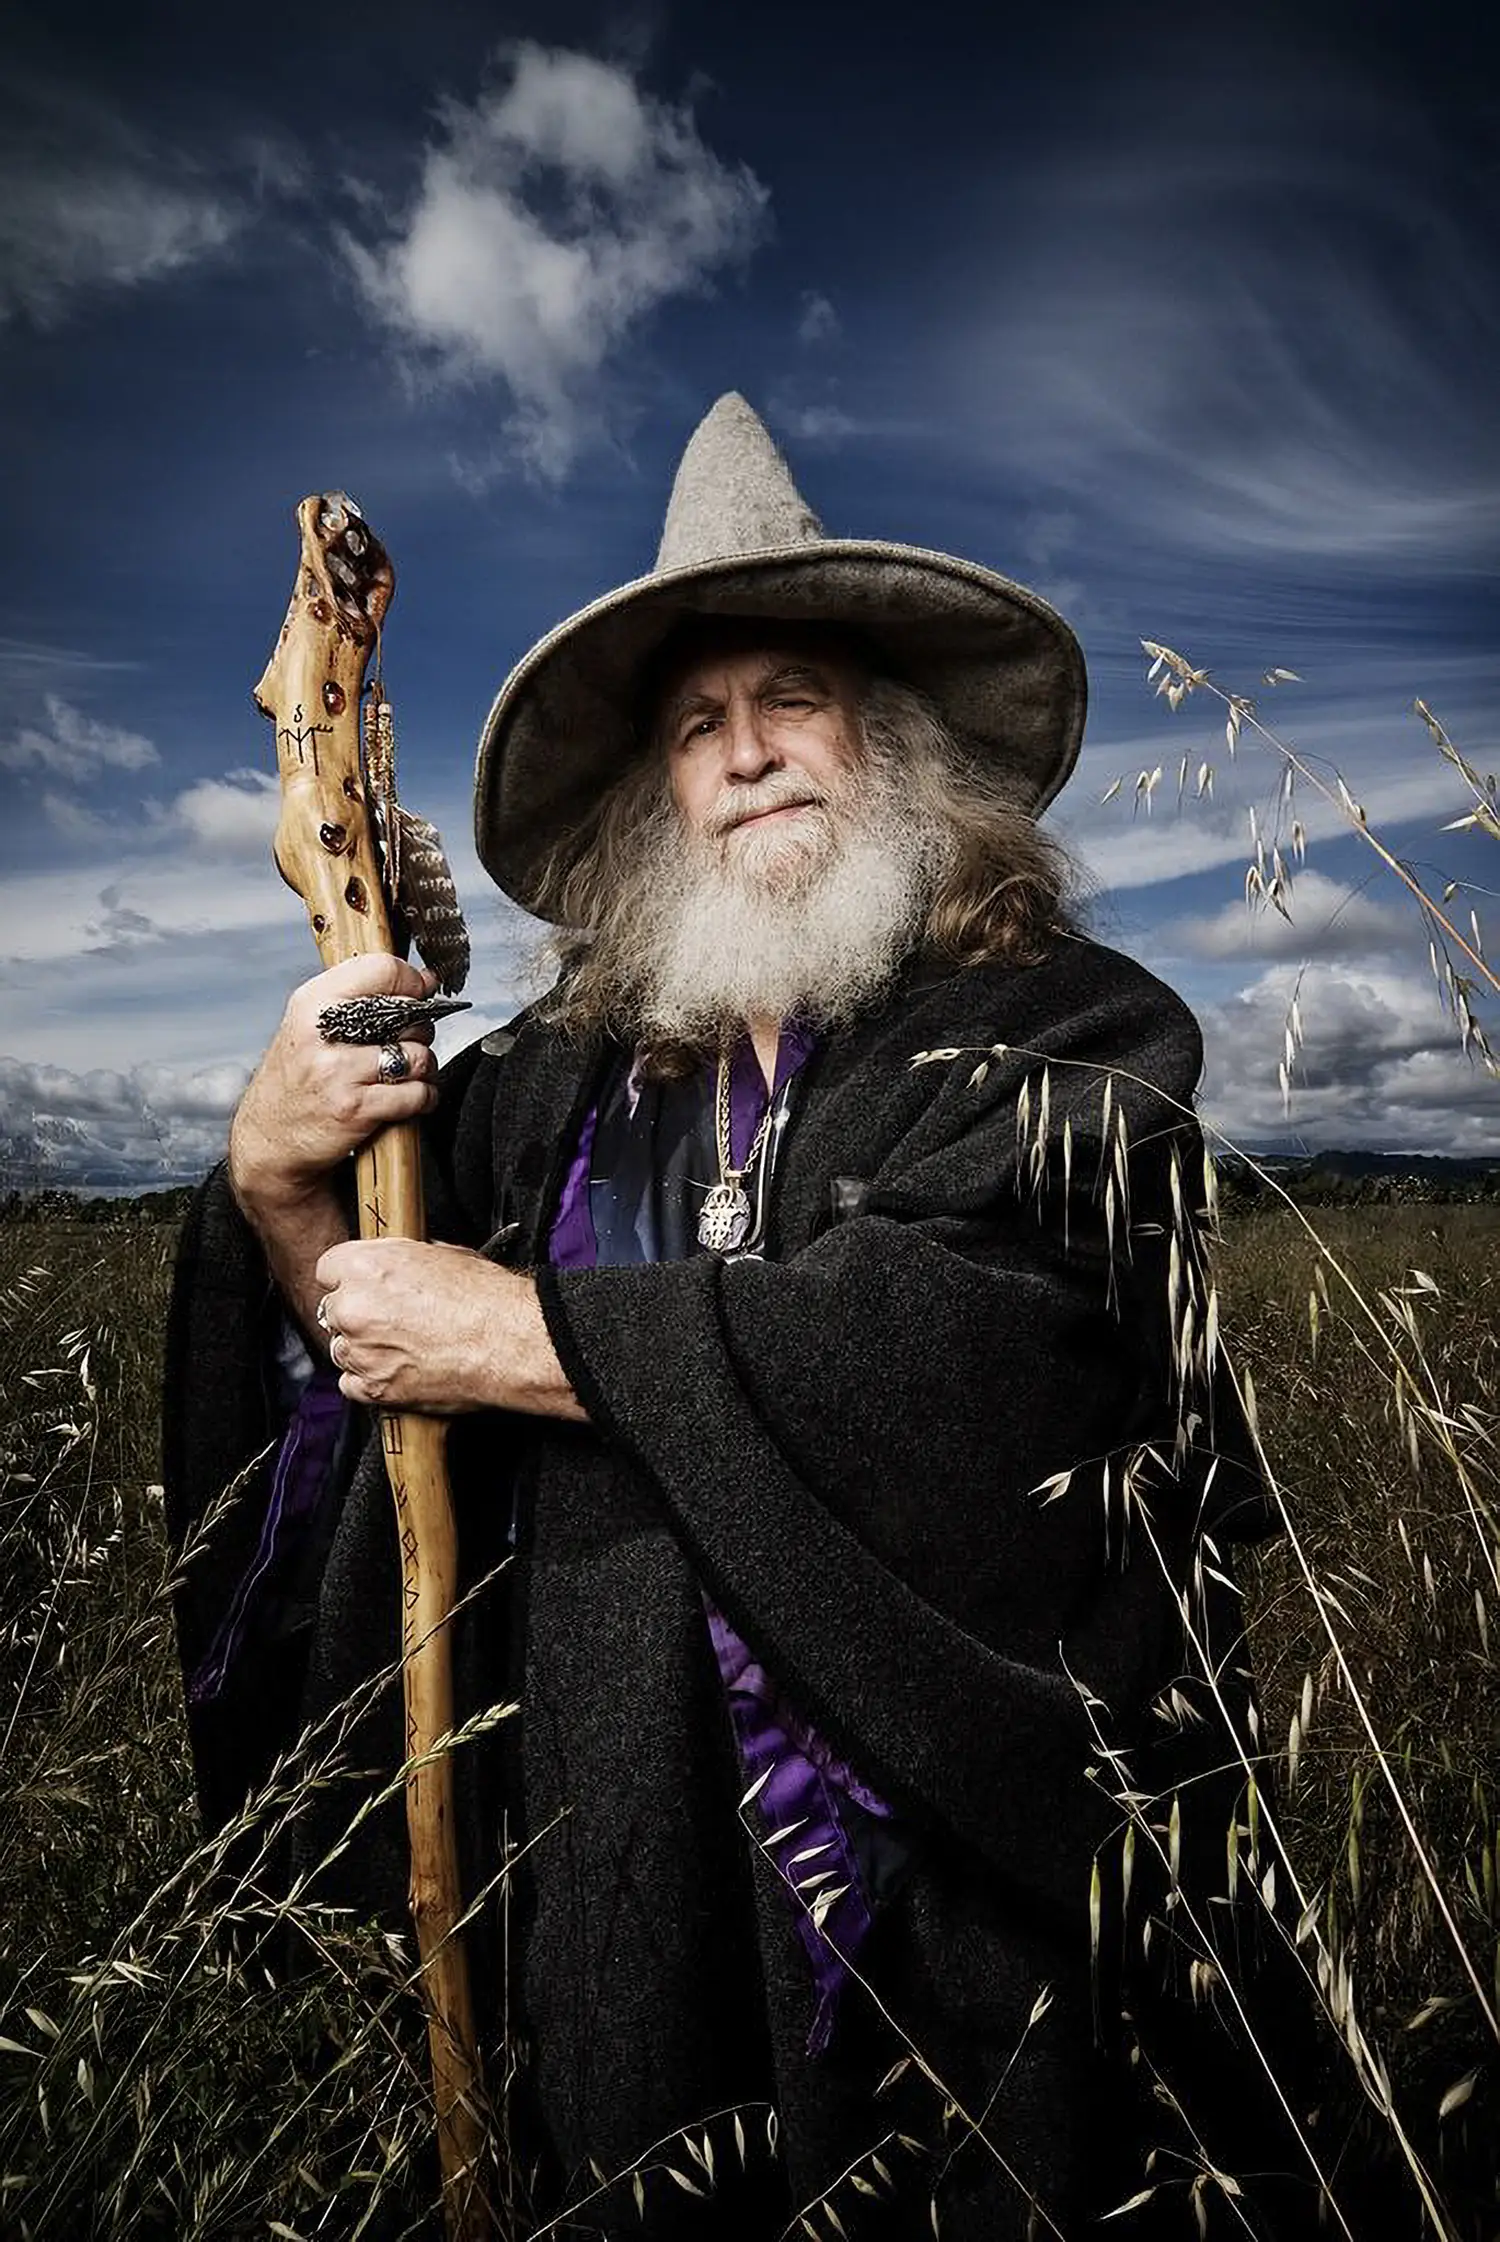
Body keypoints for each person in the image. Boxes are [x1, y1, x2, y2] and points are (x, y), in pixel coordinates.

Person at [165, 396, 1326, 2238]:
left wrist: (534, 1341)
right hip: (623, 1943)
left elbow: (988, 1368)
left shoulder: (1076, 1034)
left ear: (893, 740)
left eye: (794, 694)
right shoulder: (544, 1098)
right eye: (699, 726)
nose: (751, 752)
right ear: (656, 798)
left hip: (966, 1976)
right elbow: (374, 1359)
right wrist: (277, 1180)